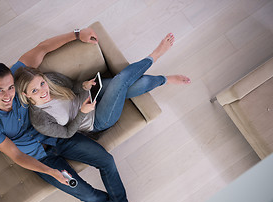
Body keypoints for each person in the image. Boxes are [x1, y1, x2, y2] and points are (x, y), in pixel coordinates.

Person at [0, 27, 145, 202]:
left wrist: (76, 34)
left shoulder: (17, 78)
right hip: (41, 160)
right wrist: (51, 172)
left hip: (59, 136)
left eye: (10, 88)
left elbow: (42, 48)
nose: (8, 95)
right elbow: (16, 155)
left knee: (107, 161)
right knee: (87, 194)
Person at [14, 33, 191, 139]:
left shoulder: (51, 80)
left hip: (91, 95)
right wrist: (82, 113)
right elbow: (67, 133)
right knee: (121, 80)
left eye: (42, 84)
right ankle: (155, 55)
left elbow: (73, 87)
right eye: (35, 91)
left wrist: (84, 85)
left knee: (137, 82)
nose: (43, 91)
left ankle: (165, 80)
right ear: (26, 94)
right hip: (96, 120)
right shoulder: (39, 120)